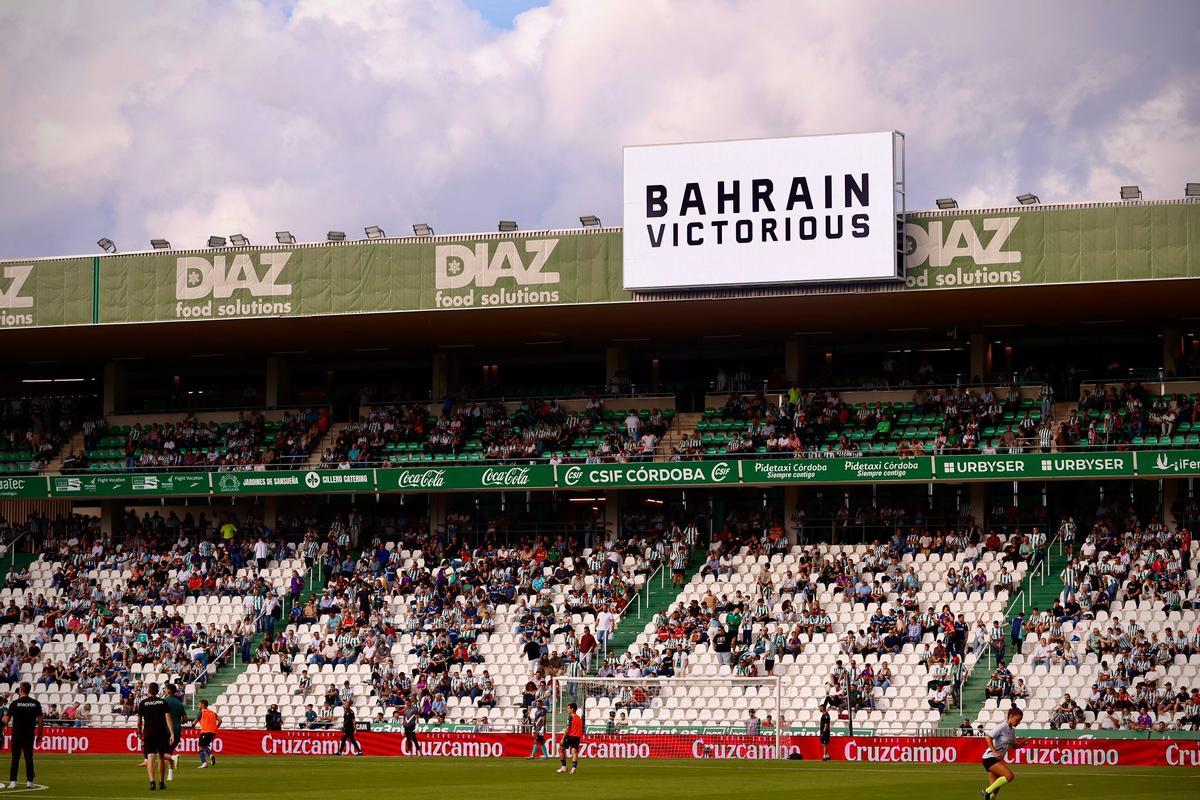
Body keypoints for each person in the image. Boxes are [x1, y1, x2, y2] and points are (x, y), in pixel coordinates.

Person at [3, 682, 43, 789]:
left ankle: (13, 781)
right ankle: (30, 782)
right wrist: (39, 734)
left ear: (21, 690)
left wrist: (4, 723)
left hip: (17, 734)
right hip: (29, 734)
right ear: (29, 690)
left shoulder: (14, 703)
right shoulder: (36, 703)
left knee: (15, 757)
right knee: (29, 757)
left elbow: (6, 719)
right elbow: (40, 720)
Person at [137, 682, 175, 792]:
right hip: (161, 732)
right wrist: (172, 733)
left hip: (149, 731)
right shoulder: (163, 702)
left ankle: (152, 782)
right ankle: (162, 783)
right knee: (161, 757)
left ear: (148, 690)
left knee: (150, 757)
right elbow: (168, 718)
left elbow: (139, 721)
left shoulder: (143, 703)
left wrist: (139, 732)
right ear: (157, 691)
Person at [982, 707, 1025, 800]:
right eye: (1017, 720)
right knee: (1009, 776)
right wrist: (994, 751)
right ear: (1011, 716)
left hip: (996, 759)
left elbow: (1014, 746)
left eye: (1020, 721)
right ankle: (986, 791)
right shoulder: (1002, 726)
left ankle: (988, 795)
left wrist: (1022, 744)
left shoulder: (1012, 730)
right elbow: (988, 737)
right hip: (990, 758)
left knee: (995, 790)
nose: (1018, 723)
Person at [163, 685, 188, 781]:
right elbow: (185, 719)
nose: (164, 690)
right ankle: (170, 775)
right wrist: (178, 721)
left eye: (165, 689)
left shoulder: (164, 702)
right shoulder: (179, 703)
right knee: (169, 752)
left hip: (166, 730)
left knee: (160, 753)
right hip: (177, 730)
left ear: (168, 691)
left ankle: (174, 758)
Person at [556, 702, 583, 774]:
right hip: (577, 737)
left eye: (568, 708)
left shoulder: (570, 717)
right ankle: (574, 768)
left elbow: (567, 728)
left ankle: (564, 767)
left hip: (570, 736)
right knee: (574, 752)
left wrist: (562, 738)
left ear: (572, 709)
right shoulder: (579, 718)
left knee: (560, 749)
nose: (567, 710)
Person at [196, 699, 221, 769]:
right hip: (213, 732)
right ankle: (210, 755)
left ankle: (204, 763)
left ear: (203, 705)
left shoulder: (201, 712)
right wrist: (216, 728)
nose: (198, 705)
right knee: (205, 746)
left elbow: (194, 723)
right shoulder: (213, 712)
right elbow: (220, 720)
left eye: (199, 704)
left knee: (201, 747)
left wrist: (189, 726)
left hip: (204, 732)